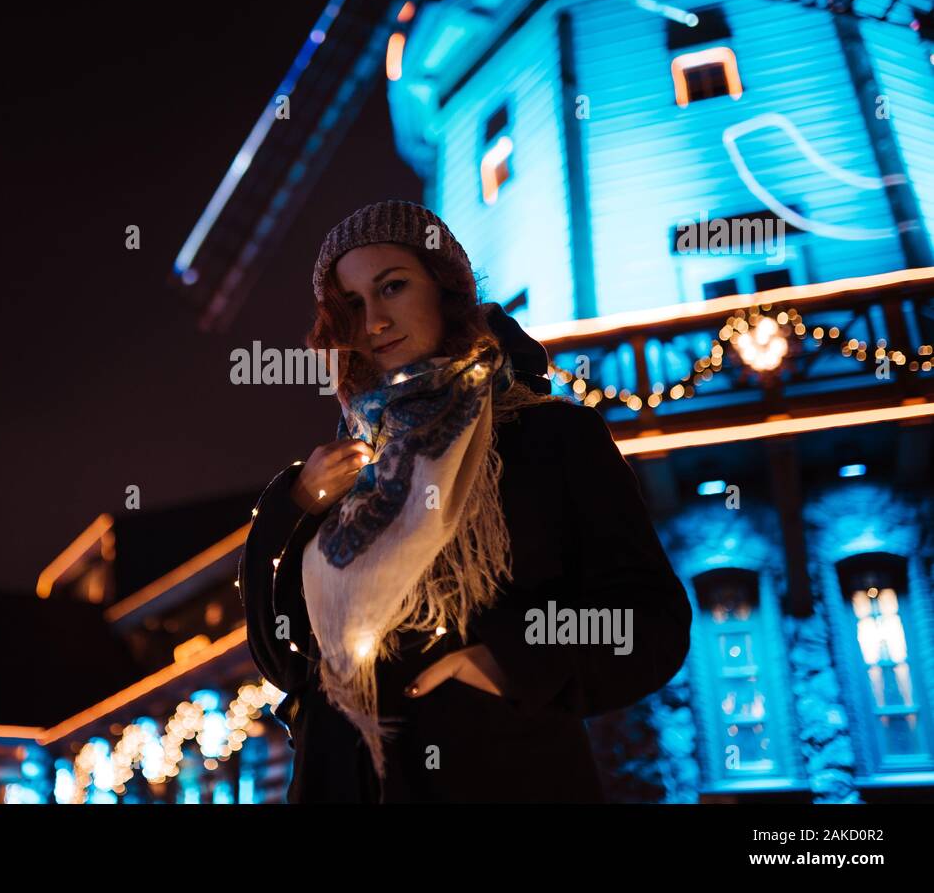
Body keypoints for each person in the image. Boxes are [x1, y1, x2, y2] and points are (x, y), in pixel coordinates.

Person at [237, 199, 693, 803]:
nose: (373, 321)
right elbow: (284, 658)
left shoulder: (547, 436)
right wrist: (289, 509)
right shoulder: (342, 471)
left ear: (445, 289)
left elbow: (647, 621)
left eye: (392, 286)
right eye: (351, 306)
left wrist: (503, 662)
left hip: (498, 778)